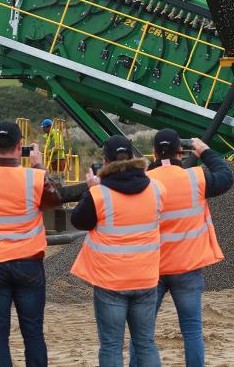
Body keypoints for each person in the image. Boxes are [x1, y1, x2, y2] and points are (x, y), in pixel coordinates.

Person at [132, 129, 233, 366]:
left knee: (142, 334)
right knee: (192, 331)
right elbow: (226, 177)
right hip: (187, 270)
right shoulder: (195, 178)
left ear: (154, 152)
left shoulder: (143, 183)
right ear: (181, 151)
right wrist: (205, 151)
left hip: (151, 272)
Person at [0, 120, 62, 367]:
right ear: (20, 147)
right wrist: (39, 165)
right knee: (33, 334)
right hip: (28, 265)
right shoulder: (35, 178)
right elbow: (55, 200)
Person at [70, 135, 167, 367]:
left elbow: (79, 221)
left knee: (112, 346)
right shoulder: (156, 188)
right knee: (145, 343)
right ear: (134, 158)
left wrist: (91, 189)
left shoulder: (98, 194)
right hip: (145, 279)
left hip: (110, 282)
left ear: (105, 162)